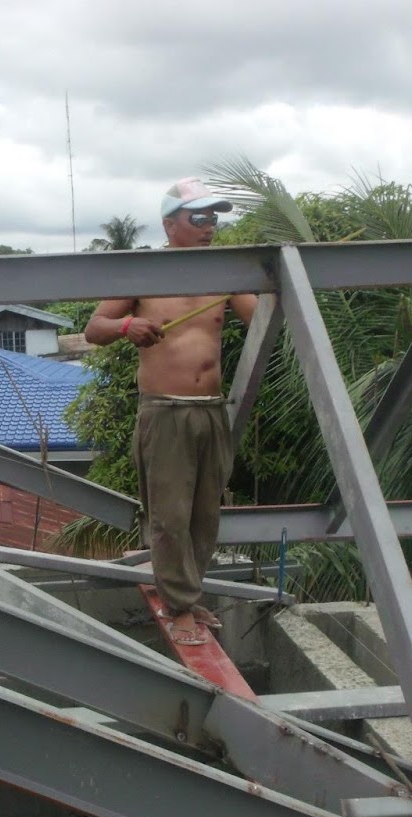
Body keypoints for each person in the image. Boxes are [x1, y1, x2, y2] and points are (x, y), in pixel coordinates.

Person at [84, 178, 258, 646]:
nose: (209, 227)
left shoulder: (223, 274)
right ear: (169, 224)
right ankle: (178, 605)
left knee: (205, 515)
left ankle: (189, 595)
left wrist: (277, 276)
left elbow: (263, 320)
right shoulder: (145, 271)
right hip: (164, 412)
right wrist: (126, 325)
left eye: (214, 218)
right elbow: (93, 329)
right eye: (198, 218)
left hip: (211, 410)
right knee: (170, 514)